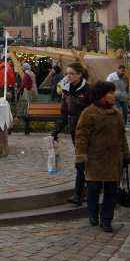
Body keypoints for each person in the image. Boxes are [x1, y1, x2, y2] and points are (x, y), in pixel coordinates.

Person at [75, 81, 130, 233]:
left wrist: (126, 154)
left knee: (111, 192)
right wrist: (80, 156)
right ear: (102, 96)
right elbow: (81, 136)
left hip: (113, 160)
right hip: (95, 159)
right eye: (111, 93)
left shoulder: (117, 114)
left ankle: (106, 219)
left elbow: (122, 137)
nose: (114, 96)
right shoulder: (89, 113)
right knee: (93, 189)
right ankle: (93, 213)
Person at [52, 62, 92, 206]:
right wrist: (55, 131)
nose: (68, 76)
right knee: (81, 162)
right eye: (67, 73)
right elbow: (64, 112)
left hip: (87, 131)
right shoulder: (67, 90)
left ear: (80, 74)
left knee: (82, 163)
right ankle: (83, 192)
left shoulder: (88, 90)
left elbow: (92, 111)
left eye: (71, 73)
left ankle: (80, 193)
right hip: (74, 130)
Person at [107, 64, 130, 129]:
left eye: (124, 71)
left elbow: (127, 88)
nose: (123, 72)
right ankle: (117, 125)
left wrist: (127, 95)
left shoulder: (125, 77)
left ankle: (124, 125)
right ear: (117, 69)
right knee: (117, 111)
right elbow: (107, 85)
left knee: (125, 111)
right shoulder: (111, 76)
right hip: (115, 97)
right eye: (122, 71)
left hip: (123, 97)